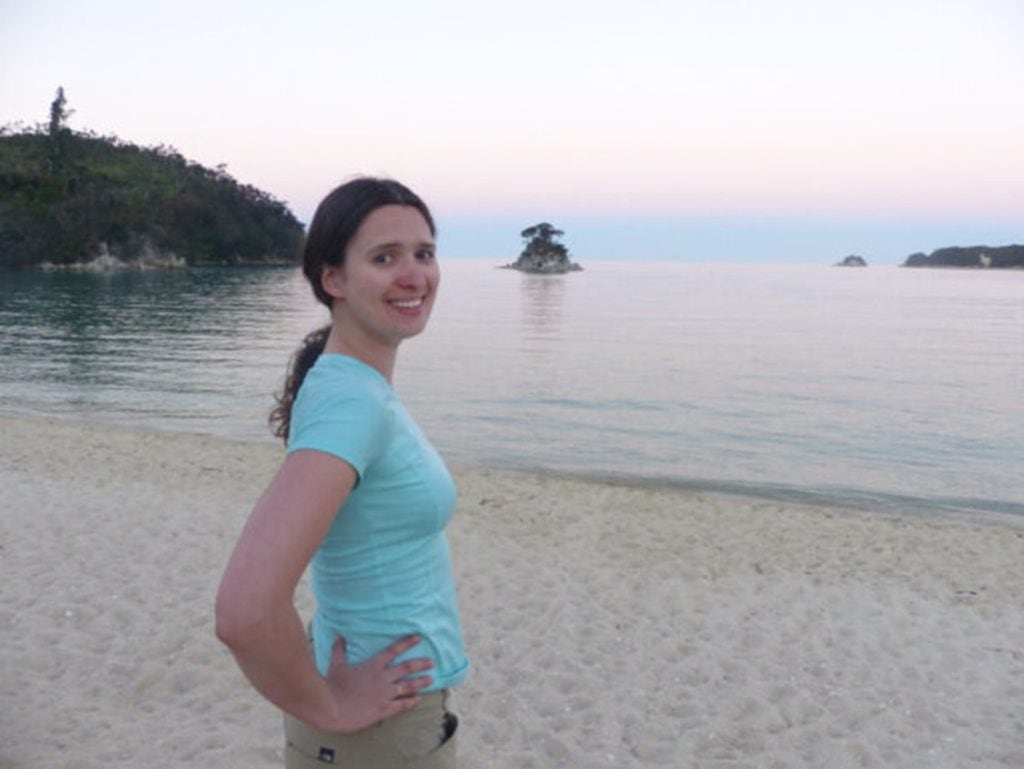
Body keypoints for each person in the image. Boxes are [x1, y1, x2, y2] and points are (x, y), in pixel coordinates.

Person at [215, 177, 468, 768]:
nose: (414, 275)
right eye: (385, 257)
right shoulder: (352, 404)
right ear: (334, 279)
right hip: (380, 724)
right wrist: (329, 706)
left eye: (424, 253)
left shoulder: (347, 384)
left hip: (383, 702)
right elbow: (244, 611)